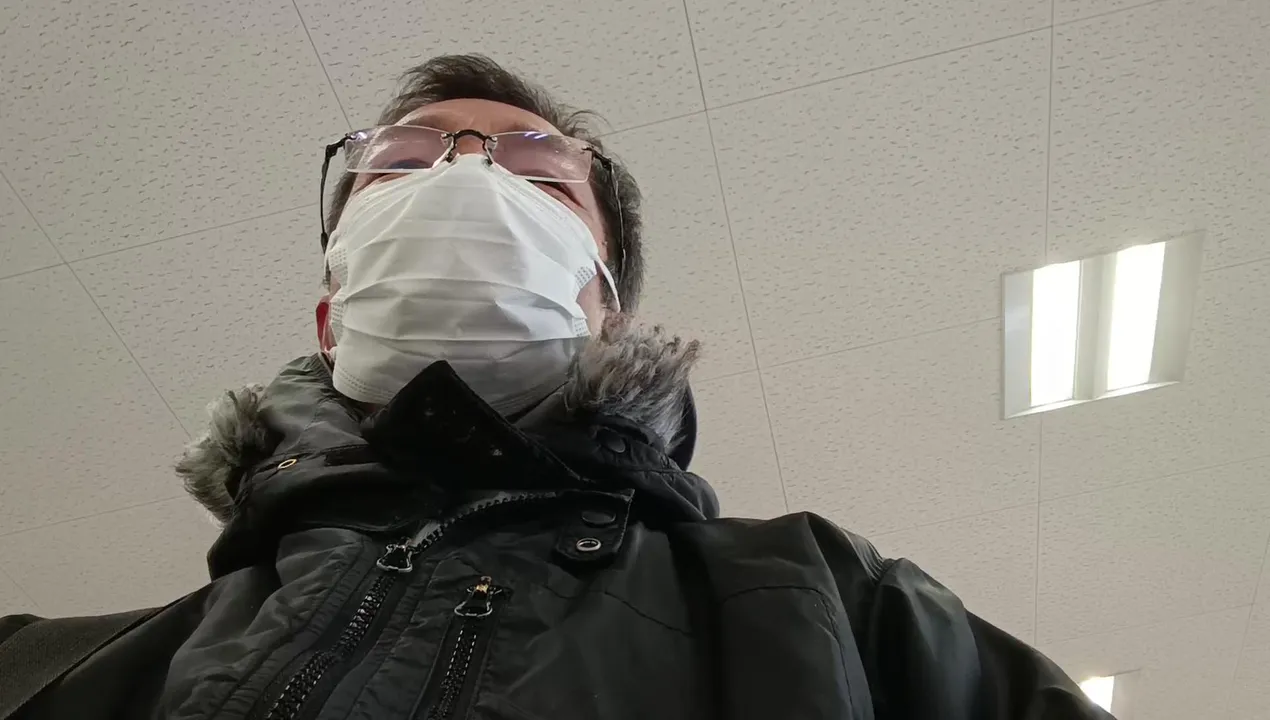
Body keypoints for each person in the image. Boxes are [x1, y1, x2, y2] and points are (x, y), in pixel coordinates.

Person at [0, 55, 1113, 720]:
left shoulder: (830, 606)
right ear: (331, 318)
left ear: (605, 313)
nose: (466, 174)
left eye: (539, 178)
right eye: (403, 166)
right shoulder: (51, 670)